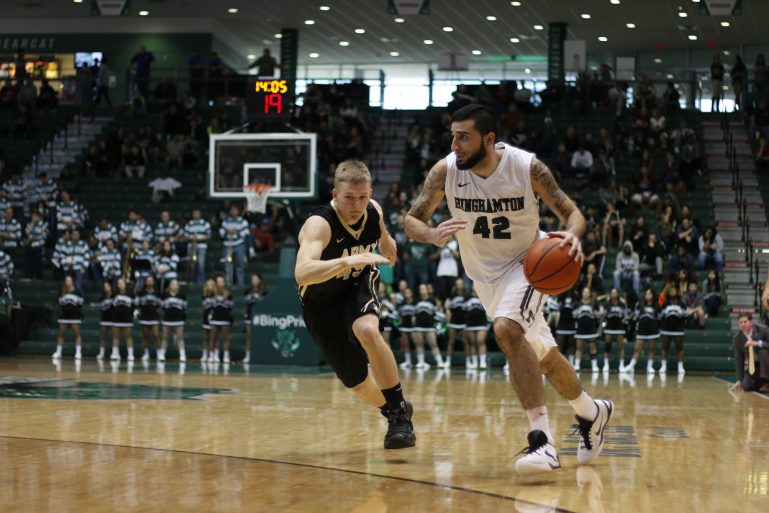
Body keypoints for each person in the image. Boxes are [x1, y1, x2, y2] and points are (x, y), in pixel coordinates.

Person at [403, 104, 612, 474]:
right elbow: (411, 219)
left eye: (463, 138)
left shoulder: (526, 167)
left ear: (489, 139)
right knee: (543, 356)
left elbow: (573, 213)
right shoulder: (445, 171)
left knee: (507, 329)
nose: (454, 145)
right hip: (484, 280)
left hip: (528, 265)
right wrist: (431, 234)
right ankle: (591, 412)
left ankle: (542, 443)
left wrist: (572, 236)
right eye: (452, 136)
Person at [295, 159, 416, 450]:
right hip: (321, 303)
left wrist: (387, 244)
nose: (356, 204)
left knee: (368, 331)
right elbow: (302, 272)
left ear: (370, 193)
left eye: (362, 197)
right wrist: (349, 260)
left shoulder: (373, 210)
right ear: (335, 194)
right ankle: (394, 407)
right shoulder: (320, 224)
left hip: (357, 284)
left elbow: (382, 234)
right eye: (349, 197)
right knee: (358, 383)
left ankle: (399, 417)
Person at [730, 313, 769, 392]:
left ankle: (766, 382)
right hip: (755, 365)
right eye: (740, 322)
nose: (742, 324)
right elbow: (739, 359)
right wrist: (739, 380)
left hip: (767, 362)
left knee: (763, 352)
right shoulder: (738, 338)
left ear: (751, 322)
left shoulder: (763, 329)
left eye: (745, 322)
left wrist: (758, 343)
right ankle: (761, 384)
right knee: (745, 386)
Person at [411, 283, 445, 369]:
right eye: (420, 289)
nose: (422, 290)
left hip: (429, 326)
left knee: (433, 344)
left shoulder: (433, 300)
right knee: (419, 344)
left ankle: (440, 362)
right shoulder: (416, 300)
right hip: (418, 326)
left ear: (427, 290)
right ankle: (421, 362)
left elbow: (437, 313)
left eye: (424, 288)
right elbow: (413, 314)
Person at [627, 288, 660, 374]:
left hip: (652, 329)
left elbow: (658, 318)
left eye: (649, 294)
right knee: (637, 349)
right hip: (641, 329)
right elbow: (636, 317)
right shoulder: (639, 304)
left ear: (653, 295)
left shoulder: (656, 305)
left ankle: (649, 366)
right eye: (646, 294)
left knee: (651, 349)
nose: (647, 296)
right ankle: (631, 366)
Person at [52, 276, 83, 360]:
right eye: (66, 280)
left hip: (74, 316)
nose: (68, 282)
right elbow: (60, 303)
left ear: (72, 282)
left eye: (69, 280)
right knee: (61, 335)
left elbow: (80, 304)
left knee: (77, 335)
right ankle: (58, 352)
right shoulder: (62, 291)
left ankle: (78, 352)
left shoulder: (77, 292)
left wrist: (76, 311)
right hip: (64, 316)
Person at [659, 287, 686, 375]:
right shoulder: (665, 303)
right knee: (665, 347)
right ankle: (663, 366)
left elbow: (685, 315)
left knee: (679, 347)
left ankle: (680, 366)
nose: (672, 292)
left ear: (677, 292)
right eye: (670, 291)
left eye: (674, 291)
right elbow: (661, 315)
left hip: (678, 328)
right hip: (666, 328)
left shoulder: (681, 303)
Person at [443, 277, 468, 369]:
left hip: (464, 322)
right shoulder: (451, 296)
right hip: (453, 321)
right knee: (451, 342)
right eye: (457, 284)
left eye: (460, 284)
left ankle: (468, 362)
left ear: (463, 285)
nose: (459, 285)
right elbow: (447, 309)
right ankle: (448, 361)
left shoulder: (467, 295)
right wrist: (447, 320)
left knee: (465, 342)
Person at [243, 273, 268, 364]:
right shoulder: (247, 291)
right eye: (253, 279)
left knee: (260, 336)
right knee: (249, 336)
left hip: (260, 317)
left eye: (256, 279)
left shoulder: (264, 291)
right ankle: (247, 355)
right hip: (250, 315)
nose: (254, 281)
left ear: (259, 280)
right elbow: (246, 304)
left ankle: (260, 355)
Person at [160, 279, 187, 363]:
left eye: (176, 284)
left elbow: (184, 306)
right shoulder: (165, 295)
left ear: (178, 286)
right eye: (172, 284)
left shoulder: (182, 295)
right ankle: (162, 354)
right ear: (170, 286)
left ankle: (182, 355)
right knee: (165, 337)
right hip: (167, 318)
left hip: (178, 318)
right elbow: (162, 306)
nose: (174, 286)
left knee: (180, 338)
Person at [136, 275, 162, 362]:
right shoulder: (141, 292)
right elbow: (137, 304)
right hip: (144, 316)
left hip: (154, 316)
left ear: (153, 282)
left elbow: (160, 304)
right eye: (148, 281)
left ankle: (159, 353)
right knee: (145, 336)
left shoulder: (157, 292)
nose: (149, 282)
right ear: (145, 282)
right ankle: (146, 353)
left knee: (156, 335)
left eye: (151, 280)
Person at [209, 275, 234, 363]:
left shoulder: (228, 294)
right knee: (213, 337)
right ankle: (212, 355)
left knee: (226, 338)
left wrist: (224, 300)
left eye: (221, 281)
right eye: (218, 282)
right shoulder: (212, 294)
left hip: (224, 318)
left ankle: (226, 356)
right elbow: (210, 306)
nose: (220, 283)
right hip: (215, 317)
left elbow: (230, 306)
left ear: (224, 283)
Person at [463, 287, 489, 370]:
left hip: (482, 322)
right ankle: (474, 362)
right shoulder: (467, 297)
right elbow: (463, 309)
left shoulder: (483, 295)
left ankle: (482, 362)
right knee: (472, 343)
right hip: (470, 323)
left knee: (480, 341)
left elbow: (488, 308)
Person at [603, 288, 628, 373]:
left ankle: (621, 365)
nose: (613, 294)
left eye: (615, 293)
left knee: (620, 347)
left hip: (619, 327)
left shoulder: (622, 304)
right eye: (612, 292)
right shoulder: (607, 303)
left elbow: (625, 316)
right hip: (609, 327)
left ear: (617, 294)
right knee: (607, 346)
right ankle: (606, 365)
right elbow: (604, 315)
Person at [111, 278, 135, 361]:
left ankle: (130, 354)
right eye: (119, 283)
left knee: (128, 337)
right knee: (116, 337)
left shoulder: (130, 294)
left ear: (125, 284)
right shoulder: (114, 294)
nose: (120, 285)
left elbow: (133, 305)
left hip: (127, 318)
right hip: (117, 318)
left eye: (122, 283)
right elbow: (112, 306)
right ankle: (114, 353)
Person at [396, 288, 416, 369]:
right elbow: (399, 315)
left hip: (413, 326)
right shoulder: (401, 304)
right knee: (406, 344)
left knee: (416, 343)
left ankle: (420, 361)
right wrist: (400, 321)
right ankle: (408, 361)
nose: (407, 294)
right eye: (406, 292)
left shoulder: (416, 302)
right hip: (404, 326)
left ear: (412, 293)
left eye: (408, 292)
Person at [96, 281, 114, 361]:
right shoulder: (102, 298)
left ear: (110, 287)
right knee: (103, 336)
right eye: (104, 287)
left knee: (114, 337)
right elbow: (100, 308)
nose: (106, 288)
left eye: (107, 286)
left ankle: (114, 352)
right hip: (104, 318)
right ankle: (101, 353)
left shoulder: (115, 296)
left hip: (113, 319)